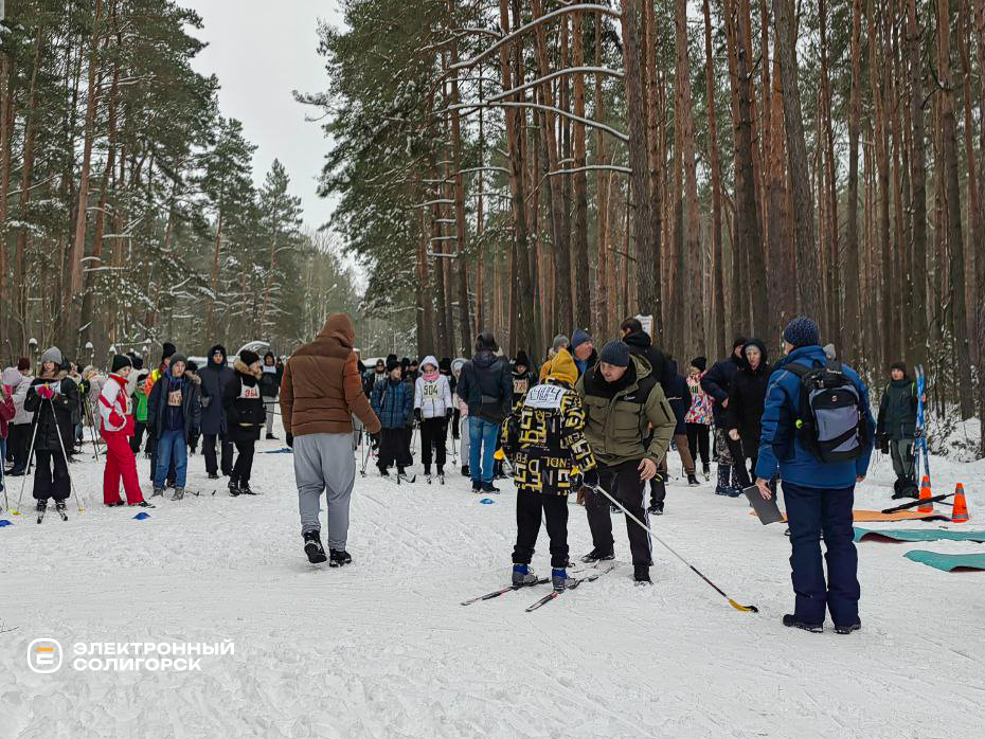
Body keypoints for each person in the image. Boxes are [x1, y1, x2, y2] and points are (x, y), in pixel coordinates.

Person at [754, 317, 874, 634]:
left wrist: (763, 473)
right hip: (841, 473)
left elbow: (772, 430)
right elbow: (868, 425)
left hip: (800, 476)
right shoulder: (847, 374)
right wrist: (859, 466)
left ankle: (809, 614)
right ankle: (847, 616)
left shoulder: (783, 377)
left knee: (805, 541)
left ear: (792, 343)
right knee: (841, 540)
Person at [281, 313, 381, 565]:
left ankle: (311, 533)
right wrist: (374, 426)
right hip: (335, 433)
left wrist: (290, 429)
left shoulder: (297, 356)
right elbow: (355, 397)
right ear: (347, 334)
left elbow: (286, 397)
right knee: (338, 491)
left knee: (308, 486)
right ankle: (337, 549)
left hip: (303, 433)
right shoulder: (346, 357)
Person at [576, 340, 675, 584]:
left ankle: (641, 563)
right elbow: (574, 416)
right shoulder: (589, 380)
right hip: (596, 452)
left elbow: (665, 423)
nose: (605, 371)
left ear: (625, 366)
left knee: (633, 506)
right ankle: (603, 548)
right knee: (594, 502)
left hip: (631, 454)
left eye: (612, 367)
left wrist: (653, 457)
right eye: (603, 365)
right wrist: (577, 449)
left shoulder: (646, 386)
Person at [502, 349, 598, 591]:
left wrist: (512, 452)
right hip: (555, 471)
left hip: (527, 468)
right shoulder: (569, 397)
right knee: (556, 521)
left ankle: (520, 568)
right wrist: (588, 467)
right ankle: (559, 572)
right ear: (571, 377)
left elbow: (510, 423)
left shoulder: (532, 392)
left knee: (527, 519)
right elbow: (574, 434)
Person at [24, 347, 79, 519]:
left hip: (60, 431)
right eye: (45, 362)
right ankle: (42, 496)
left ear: (57, 363)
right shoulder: (36, 381)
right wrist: (38, 395)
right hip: (41, 431)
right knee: (42, 468)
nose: (48, 365)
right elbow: (28, 406)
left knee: (61, 468)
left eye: (51, 362)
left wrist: (56, 396)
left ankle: (60, 496)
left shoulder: (67, 382)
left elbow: (73, 404)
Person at [456, 332, 512, 493]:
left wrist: (472, 401)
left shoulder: (468, 365)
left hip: (475, 411)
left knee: (474, 446)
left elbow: (460, 390)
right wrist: (505, 410)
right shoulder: (501, 365)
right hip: (493, 411)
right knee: (489, 448)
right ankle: (487, 481)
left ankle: (476, 481)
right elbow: (508, 390)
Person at [147, 354, 201, 500]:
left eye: (183, 366)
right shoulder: (162, 382)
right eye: (177, 365)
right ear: (171, 367)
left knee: (181, 461)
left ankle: (179, 488)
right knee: (162, 461)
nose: (180, 368)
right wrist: (151, 423)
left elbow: (195, 408)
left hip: (181, 430)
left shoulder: (190, 385)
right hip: (165, 429)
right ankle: (158, 487)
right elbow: (152, 404)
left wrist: (195, 428)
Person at [98, 355, 150, 508]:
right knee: (128, 462)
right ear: (117, 369)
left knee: (113, 465)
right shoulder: (112, 384)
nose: (126, 372)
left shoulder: (118, 384)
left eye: (128, 369)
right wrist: (117, 420)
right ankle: (135, 498)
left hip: (117, 430)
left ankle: (111, 496)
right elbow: (104, 404)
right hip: (114, 430)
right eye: (124, 369)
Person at [702, 336, 747, 496]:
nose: (742, 351)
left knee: (741, 451)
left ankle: (738, 482)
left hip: (744, 417)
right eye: (739, 347)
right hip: (724, 416)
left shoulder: (751, 367)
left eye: (745, 348)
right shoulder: (723, 366)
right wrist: (722, 397)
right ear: (734, 349)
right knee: (725, 451)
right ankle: (722, 484)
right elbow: (706, 381)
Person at [726, 340, 772, 490]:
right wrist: (732, 426)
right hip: (747, 425)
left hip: (768, 424)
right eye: (749, 354)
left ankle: (769, 492)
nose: (752, 357)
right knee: (754, 461)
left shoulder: (771, 373)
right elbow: (733, 404)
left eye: (755, 353)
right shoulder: (739, 376)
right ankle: (756, 493)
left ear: (761, 354)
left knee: (767, 460)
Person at [224, 350, 266, 496]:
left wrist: (261, 416)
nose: (258, 366)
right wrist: (237, 417)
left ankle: (244, 483)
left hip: (253, 424)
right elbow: (227, 402)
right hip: (239, 425)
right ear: (248, 365)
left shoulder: (255, 380)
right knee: (246, 452)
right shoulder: (236, 380)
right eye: (255, 364)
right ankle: (234, 480)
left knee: (249, 452)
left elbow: (259, 401)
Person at [876, 362, 920, 499]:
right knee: (895, 457)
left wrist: (922, 400)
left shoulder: (911, 387)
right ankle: (902, 481)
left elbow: (919, 407)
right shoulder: (889, 388)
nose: (895, 373)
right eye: (893, 370)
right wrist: (880, 430)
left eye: (898, 370)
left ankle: (910, 481)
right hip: (892, 430)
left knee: (904, 453)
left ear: (903, 372)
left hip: (906, 429)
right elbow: (883, 409)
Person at [371, 358, 415, 481]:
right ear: (390, 371)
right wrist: (378, 414)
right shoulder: (382, 385)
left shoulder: (404, 387)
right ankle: (383, 467)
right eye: (396, 369)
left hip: (399, 422)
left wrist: (404, 414)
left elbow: (408, 402)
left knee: (400, 446)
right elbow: (375, 401)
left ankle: (401, 467)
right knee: (385, 446)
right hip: (385, 421)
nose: (398, 372)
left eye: (399, 369)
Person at [414, 355, 453, 481]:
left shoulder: (442, 379)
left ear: (435, 368)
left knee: (440, 441)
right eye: (426, 370)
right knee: (426, 442)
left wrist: (449, 408)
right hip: (426, 415)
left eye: (431, 370)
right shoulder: (420, 381)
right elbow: (418, 396)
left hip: (440, 414)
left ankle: (440, 466)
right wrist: (417, 409)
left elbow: (447, 395)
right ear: (423, 369)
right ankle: (427, 466)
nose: (429, 372)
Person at [199, 344, 235, 480]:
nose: (218, 358)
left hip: (226, 413)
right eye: (216, 355)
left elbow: (236, 391)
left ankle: (227, 468)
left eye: (220, 355)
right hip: (209, 412)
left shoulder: (230, 372)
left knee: (228, 442)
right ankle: (211, 469)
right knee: (209, 443)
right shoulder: (203, 372)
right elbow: (197, 391)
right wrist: (203, 399)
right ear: (211, 357)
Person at [5, 358, 34, 476]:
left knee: (23, 444)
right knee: (15, 443)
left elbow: (21, 397)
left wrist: (7, 398)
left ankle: (24, 466)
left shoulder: (27, 382)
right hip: (17, 417)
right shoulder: (16, 379)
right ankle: (17, 464)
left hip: (26, 418)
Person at [685, 357, 713, 479]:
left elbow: (712, 396)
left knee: (704, 442)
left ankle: (705, 464)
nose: (692, 368)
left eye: (694, 366)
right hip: (690, 416)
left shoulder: (707, 380)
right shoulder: (688, 381)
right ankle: (691, 465)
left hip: (703, 416)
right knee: (691, 442)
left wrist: (710, 413)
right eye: (691, 366)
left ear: (700, 368)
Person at [451, 358, 469, 476]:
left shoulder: (472, 380)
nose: (459, 373)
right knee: (465, 441)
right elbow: (456, 404)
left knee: (475, 442)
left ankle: (474, 464)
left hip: (476, 414)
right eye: (457, 371)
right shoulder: (457, 386)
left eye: (461, 370)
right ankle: (464, 465)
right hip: (465, 416)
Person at [259, 351, 282, 440]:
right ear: (265, 360)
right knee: (259, 414)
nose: (269, 360)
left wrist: (280, 366)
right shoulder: (261, 368)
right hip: (261, 395)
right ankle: (255, 432)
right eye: (267, 358)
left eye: (270, 358)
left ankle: (268, 432)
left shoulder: (276, 369)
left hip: (271, 395)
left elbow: (280, 379)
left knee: (270, 415)